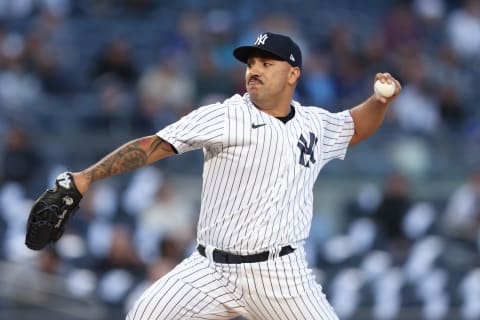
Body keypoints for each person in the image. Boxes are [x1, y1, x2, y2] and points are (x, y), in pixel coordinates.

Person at [70, 32, 401, 319]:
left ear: (293, 74)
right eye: (251, 63)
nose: (254, 70)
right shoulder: (225, 116)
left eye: (266, 64)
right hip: (210, 269)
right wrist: (86, 177)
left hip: (280, 273)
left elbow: (355, 126)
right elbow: (152, 146)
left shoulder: (314, 123)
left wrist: (378, 101)